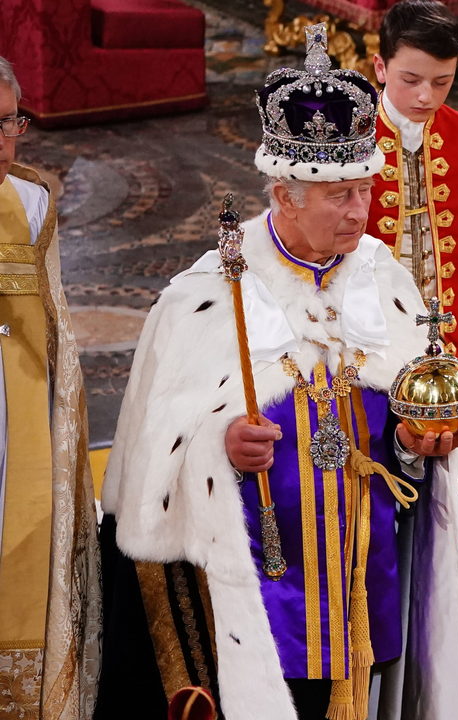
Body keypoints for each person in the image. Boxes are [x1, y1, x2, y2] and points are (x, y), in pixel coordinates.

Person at [95, 26, 458, 720]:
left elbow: (412, 427)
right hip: (262, 592)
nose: (362, 211)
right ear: (284, 196)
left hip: (366, 572)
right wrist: (223, 451)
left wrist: (414, 444)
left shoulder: (384, 279)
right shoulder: (204, 298)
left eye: (364, 190)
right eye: (340, 197)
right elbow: (155, 469)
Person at [365, 4, 458, 718]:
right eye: (412, 80)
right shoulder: (349, 140)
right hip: (367, 378)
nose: (426, 98)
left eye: (444, 83)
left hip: (451, 379)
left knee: (452, 522)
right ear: (379, 67)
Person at [0, 55, 101, 718]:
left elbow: (53, 321)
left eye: (11, 122)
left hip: (18, 408)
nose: (4, 138)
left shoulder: (31, 199)